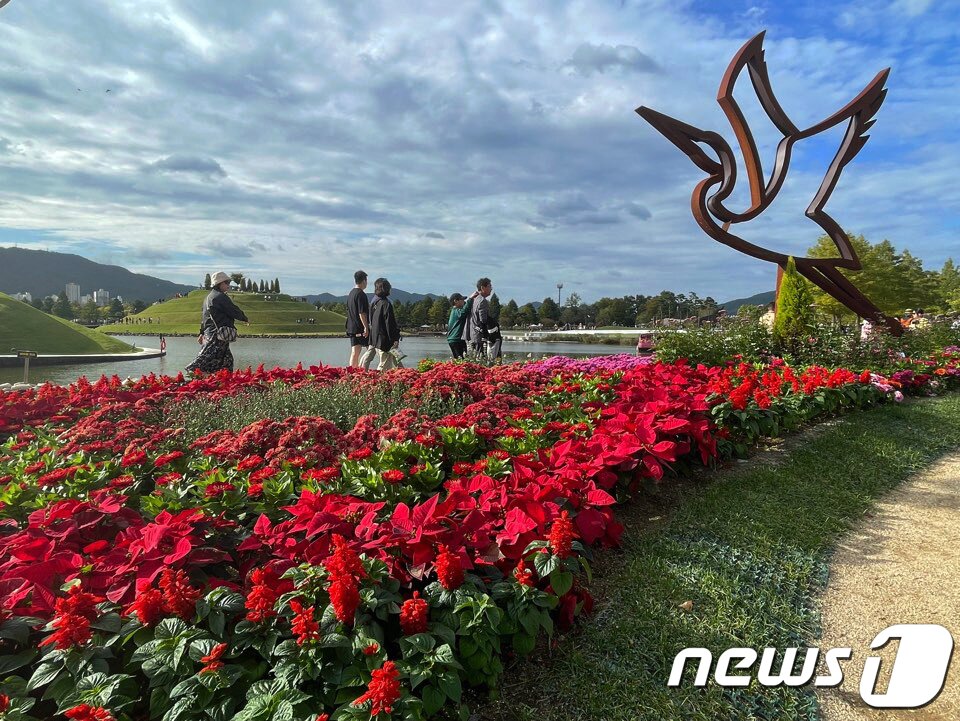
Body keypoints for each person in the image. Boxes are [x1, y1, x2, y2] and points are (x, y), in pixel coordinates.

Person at [185, 271, 249, 374]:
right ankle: (189, 376)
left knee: (226, 361)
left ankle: (222, 380)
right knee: (203, 361)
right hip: (217, 335)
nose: (228, 285)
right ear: (219, 283)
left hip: (212, 333)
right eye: (226, 282)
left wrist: (201, 333)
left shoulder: (208, 298)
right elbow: (233, 310)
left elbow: (204, 318)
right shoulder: (220, 297)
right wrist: (244, 318)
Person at [465, 278, 501, 363]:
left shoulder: (474, 299)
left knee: (474, 360)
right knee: (481, 361)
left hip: (471, 334)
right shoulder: (482, 301)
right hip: (479, 336)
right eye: (489, 286)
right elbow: (483, 320)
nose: (491, 289)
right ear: (482, 288)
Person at [368, 277, 402, 371]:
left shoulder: (374, 303)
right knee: (384, 365)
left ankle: (404, 373)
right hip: (385, 341)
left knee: (396, 360)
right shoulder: (386, 304)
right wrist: (395, 338)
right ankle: (377, 380)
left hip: (376, 339)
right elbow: (390, 324)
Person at [346, 270, 371, 368]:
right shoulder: (361, 294)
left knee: (355, 351)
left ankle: (352, 371)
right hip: (360, 327)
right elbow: (362, 313)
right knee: (371, 349)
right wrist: (366, 327)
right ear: (364, 281)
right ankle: (361, 368)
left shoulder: (351, 293)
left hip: (351, 327)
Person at [446, 291, 479, 359]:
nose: (464, 301)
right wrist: (470, 298)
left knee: (464, 358)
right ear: (456, 301)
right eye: (462, 299)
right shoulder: (456, 311)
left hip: (459, 339)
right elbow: (464, 312)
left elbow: (466, 308)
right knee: (460, 360)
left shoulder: (457, 310)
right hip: (455, 339)